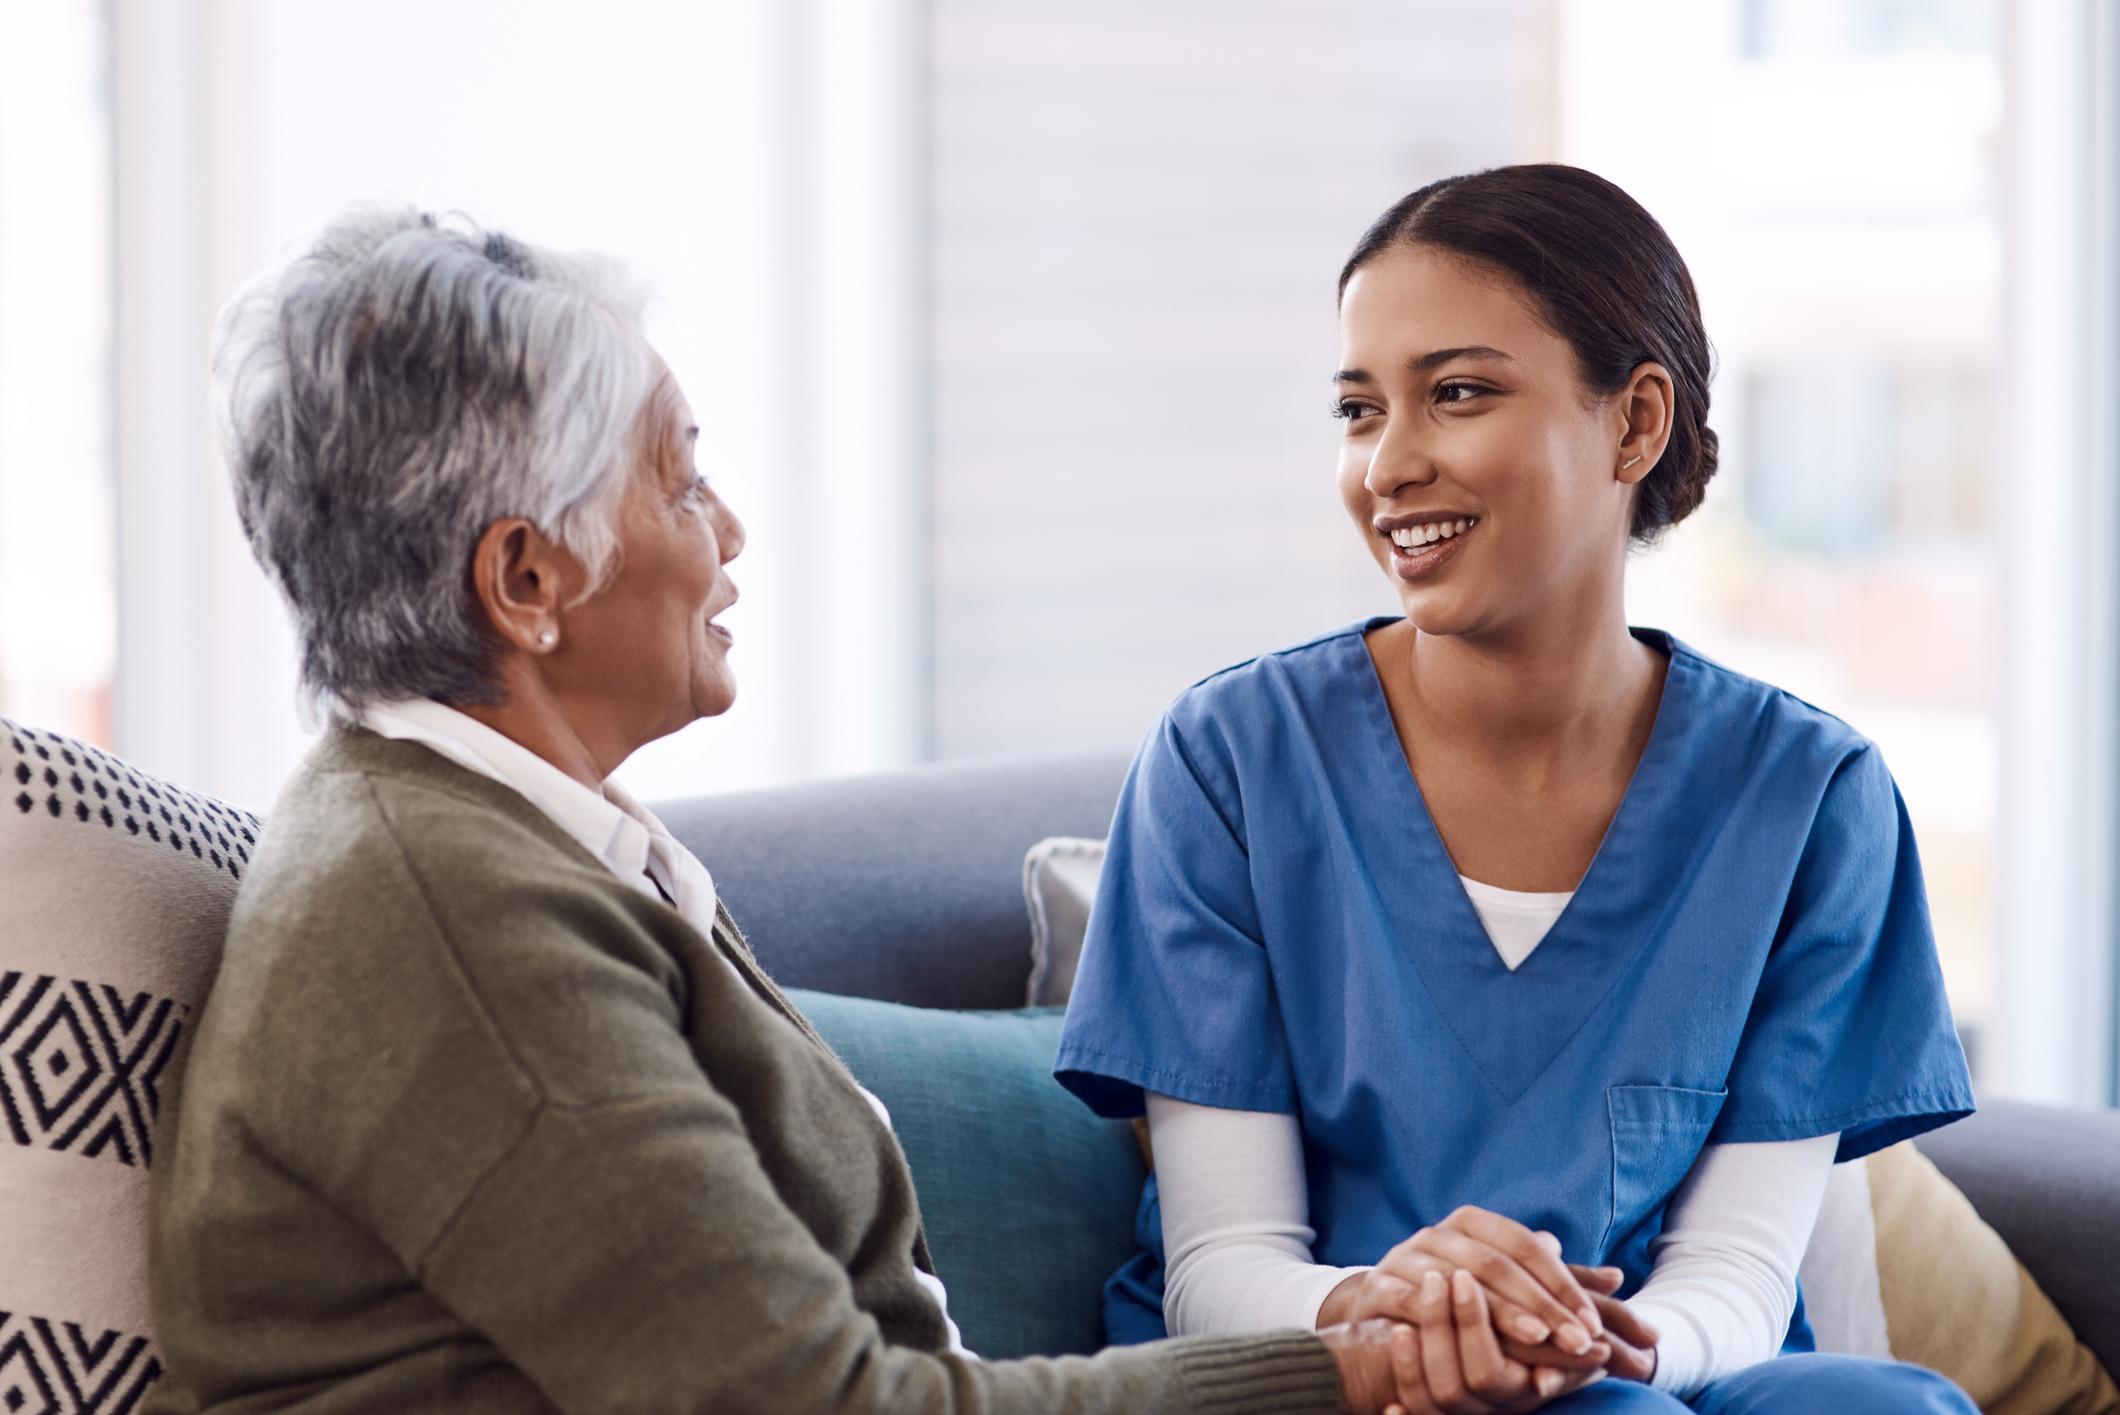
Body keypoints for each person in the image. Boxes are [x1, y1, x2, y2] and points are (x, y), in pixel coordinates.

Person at [144, 207, 1463, 1414]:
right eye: (678, 482)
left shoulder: (512, 843)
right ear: (527, 578)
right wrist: (1342, 1367)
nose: (728, 530)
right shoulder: (456, 924)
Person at [1052, 165, 1982, 1415]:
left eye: (1457, 393)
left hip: (1657, 1362)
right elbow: (1221, 1265)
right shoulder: (1228, 761)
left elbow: (1737, 1271)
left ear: (1633, 423)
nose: (1387, 464)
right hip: (1327, 1364)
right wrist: (1407, 1315)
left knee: (1883, 1406)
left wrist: (1593, 1343)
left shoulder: (1807, 800)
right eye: (1357, 409)